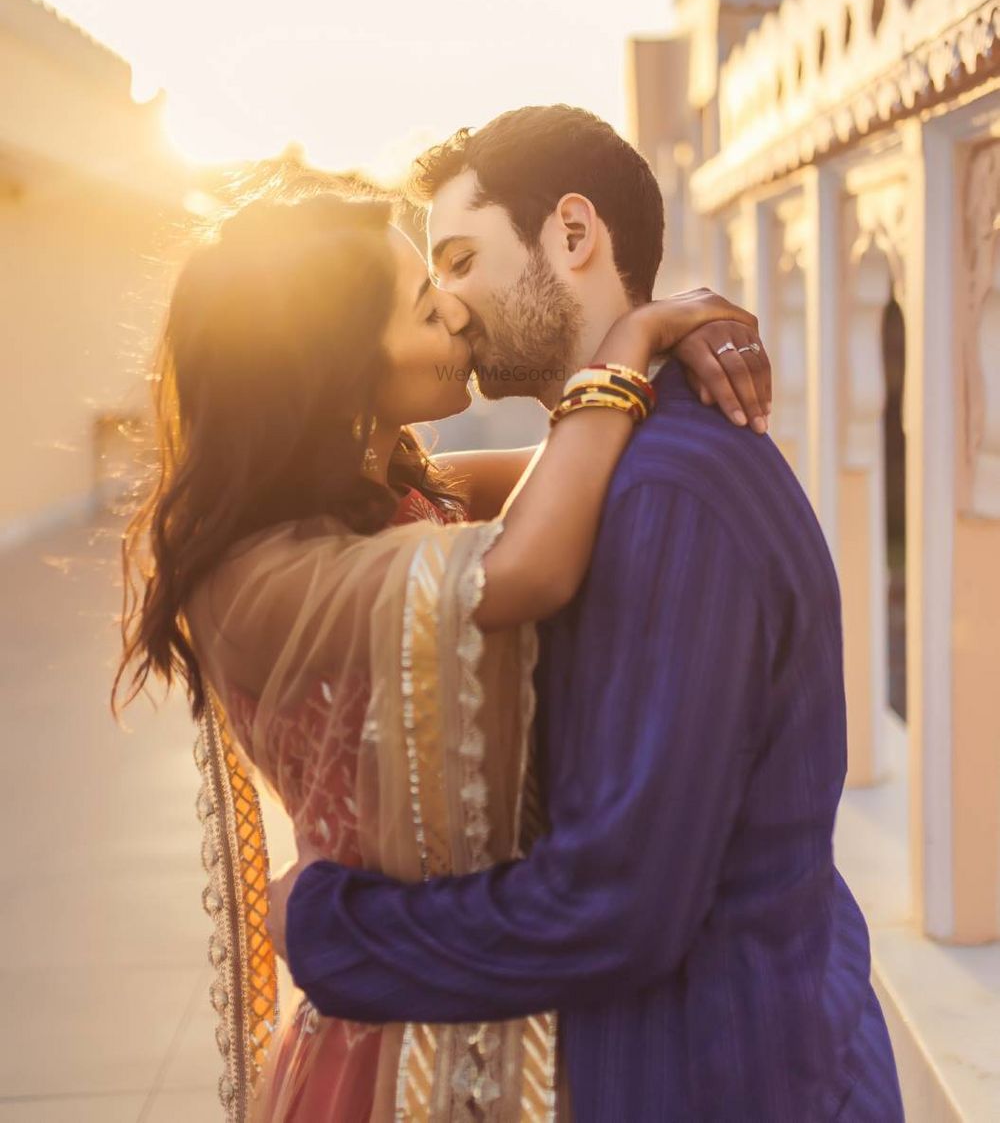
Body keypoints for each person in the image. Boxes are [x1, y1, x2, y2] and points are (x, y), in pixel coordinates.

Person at [269, 105, 904, 1121]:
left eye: (462, 257)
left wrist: (330, 927)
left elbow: (616, 907)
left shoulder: (666, 499)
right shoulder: (619, 464)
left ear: (573, 234)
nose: (449, 304)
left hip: (716, 1075)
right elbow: (449, 494)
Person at [113, 179, 770, 1121]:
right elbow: (532, 563)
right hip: (399, 1043)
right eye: (428, 306)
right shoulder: (264, 572)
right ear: (336, 367)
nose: (459, 314)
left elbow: (587, 465)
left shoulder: (399, 491)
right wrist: (633, 344)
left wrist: (678, 347)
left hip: (500, 991)